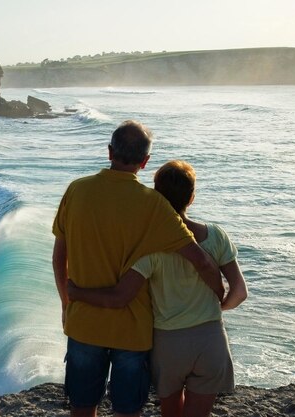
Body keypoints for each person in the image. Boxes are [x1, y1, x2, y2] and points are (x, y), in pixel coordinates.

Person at [52, 121, 225, 417]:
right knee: (127, 410)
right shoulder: (154, 205)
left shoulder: (77, 191)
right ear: (145, 162)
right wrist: (219, 295)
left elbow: (59, 257)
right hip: (133, 331)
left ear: (109, 152)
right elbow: (200, 259)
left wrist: (67, 302)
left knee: (82, 407)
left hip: (84, 322)